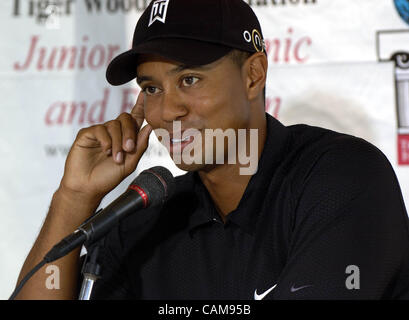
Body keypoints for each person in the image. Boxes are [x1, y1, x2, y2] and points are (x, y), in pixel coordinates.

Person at [14, 0, 409, 300]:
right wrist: (75, 197)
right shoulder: (144, 221)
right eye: (151, 89)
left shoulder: (342, 178)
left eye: (189, 79)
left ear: (253, 75)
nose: (168, 110)